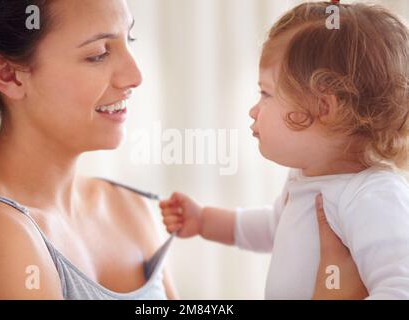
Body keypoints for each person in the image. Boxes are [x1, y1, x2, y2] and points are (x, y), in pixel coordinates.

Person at [160, 1, 409, 299]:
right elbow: (272, 226)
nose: (254, 110)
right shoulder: (304, 179)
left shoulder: (371, 195)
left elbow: (399, 288)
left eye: (266, 93)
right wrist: (204, 221)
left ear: (322, 106)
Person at [0, 0, 177, 300]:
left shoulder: (130, 209)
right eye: (98, 55)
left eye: (130, 39)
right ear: (8, 74)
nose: (134, 76)